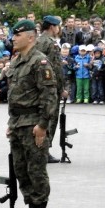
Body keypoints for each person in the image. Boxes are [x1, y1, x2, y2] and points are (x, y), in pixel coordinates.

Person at [4, 19, 57, 208]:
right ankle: (30, 207)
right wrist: (11, 121)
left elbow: (49, 95)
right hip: (18, 122)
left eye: (18, 35)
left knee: (36, 168)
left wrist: (43, 125)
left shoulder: (39, 61)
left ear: (30, 37)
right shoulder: (17, 61)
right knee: (21, 168)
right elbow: (14, 94)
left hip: (33, 122)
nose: (13, 38)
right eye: (13, 35)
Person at [36, 15, 66, 163]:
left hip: (37, 85)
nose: (58, 29)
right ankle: (45, 150)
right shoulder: (51, 44)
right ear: (52, 27)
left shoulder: (36, 40)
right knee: (50, 118)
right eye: (58, 26)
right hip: (50, 86)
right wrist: (62, 88)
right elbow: (56, 68)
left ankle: (37, 147)